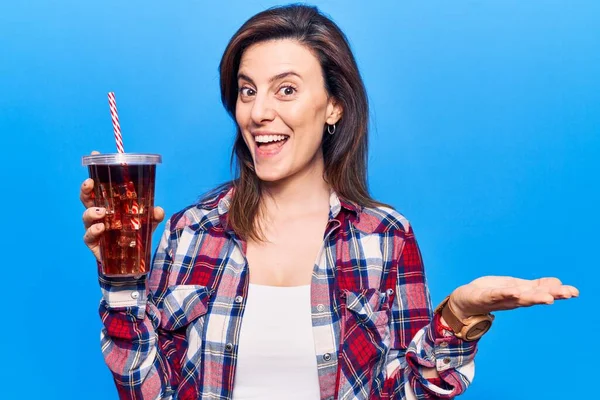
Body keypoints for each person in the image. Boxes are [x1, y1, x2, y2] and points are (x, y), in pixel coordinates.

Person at [80, 4, 578, 400]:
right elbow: (147, 392)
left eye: (287, 90)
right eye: (246, 91)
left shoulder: (385, 239)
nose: (259, 112)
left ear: (333, 106)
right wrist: (121, 281)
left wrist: (456, 319)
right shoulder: (191, 231)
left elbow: (408, 394)